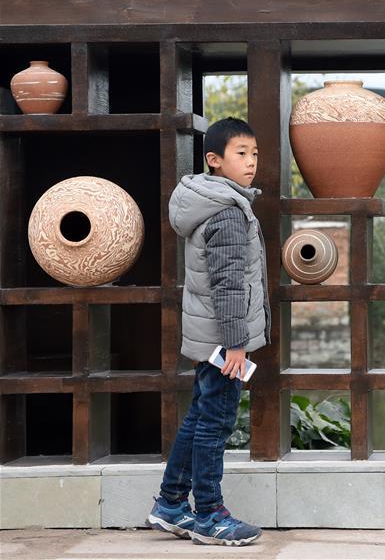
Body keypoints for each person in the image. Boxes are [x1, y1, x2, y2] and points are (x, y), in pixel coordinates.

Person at [146, 117, 270, 546]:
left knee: (201, 416)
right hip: (224, 341)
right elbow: (229, 284)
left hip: (210, 337)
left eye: (254, 154)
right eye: (241, 154)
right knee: (214, 424)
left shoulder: (208, 202)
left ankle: (170, 504)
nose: (251, 162)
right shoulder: (227, 213)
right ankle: (209, 514)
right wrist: (237, 344)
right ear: (214, 161)